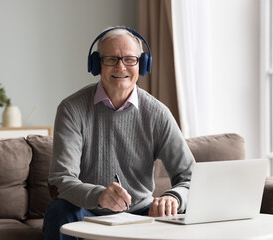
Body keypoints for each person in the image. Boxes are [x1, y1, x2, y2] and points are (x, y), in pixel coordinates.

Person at [43, 26, 195, 240]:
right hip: (87, 212)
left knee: (185, 217)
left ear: (141, 64)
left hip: (142, 212)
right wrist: (98, 196)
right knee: (59, 212)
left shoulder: (158, 113)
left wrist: (174, 197)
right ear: (97, 64)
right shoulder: (71, 109)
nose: (121, 66)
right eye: (111, 59)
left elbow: (190, 177)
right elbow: (61, 179)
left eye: (129, 59)